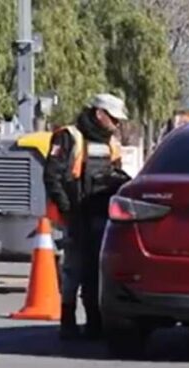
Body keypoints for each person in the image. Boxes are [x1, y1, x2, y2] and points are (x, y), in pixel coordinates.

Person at [44, 93, 129, 340]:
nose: (117, 125)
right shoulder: (69, 137)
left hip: (102, 215)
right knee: (74, 269)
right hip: (76, 214)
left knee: (96, 270)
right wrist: (67, 209)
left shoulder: (111, 143)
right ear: (99, 114)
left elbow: (116, 174)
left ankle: (95, 323)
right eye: (113, 119)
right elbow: (52, 176)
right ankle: (68, 322)